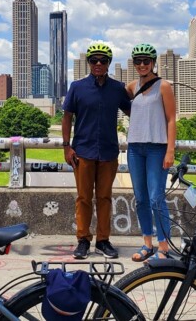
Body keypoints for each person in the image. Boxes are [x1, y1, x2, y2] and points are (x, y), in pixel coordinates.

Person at [62, 41, 132, 260]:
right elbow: (67, 117)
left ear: (109, 63)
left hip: (109, 152)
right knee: (83, 198)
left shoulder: (117, 88)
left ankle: (103, 240)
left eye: (103, 60)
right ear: (88, 63)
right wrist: (66, 147)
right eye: (94, 60)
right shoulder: (77, 87)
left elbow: (135, 112)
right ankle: (83, 240)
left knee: (104, 197)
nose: (98, 64)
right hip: (82, 151)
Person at [125, 43, 177, 261]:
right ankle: (147, 243)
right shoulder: (131, 87)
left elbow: (172, 118)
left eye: (146, 61)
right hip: (135, 147)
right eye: (138, 61)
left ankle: (163, 246)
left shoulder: (163, 86)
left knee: (156, 198)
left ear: (153, 63)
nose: (142, 65)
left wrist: (170, 150)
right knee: (141, 199)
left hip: (157, 147)